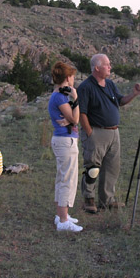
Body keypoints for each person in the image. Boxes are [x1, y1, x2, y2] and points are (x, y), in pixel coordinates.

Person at [77, 54, 140, 213]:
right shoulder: (86, 87)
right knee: (92, 168)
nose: (110, 67)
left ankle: (107, 200)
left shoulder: (111, 84)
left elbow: (120, 101)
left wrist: (133, 94)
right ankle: (89, 201)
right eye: (107, 64)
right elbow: (81, 113)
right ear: (97, 68)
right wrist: (90, 133)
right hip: (96, 132)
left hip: (114, 133)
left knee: (111, 168)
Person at [48, 61, 83, 232]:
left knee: (63, 178)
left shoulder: (59, 95)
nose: (74, 79)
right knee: (67, 180)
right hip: (65, 141)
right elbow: (75, 119)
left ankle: (62, 215)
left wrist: (70, 117)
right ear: (68, 77)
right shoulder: (61, 97)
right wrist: (75, 98)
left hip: (64, 139)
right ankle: (63, 220)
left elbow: (71, 118)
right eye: (73, 76)